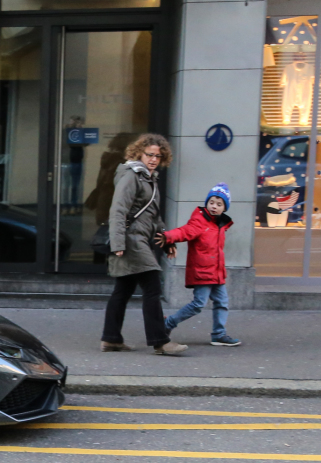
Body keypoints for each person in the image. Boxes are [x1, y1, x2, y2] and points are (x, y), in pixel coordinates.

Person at [100, 133, 186, 356]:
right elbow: (118, 209)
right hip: (131, 240)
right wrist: (118, 242)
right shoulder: (131, 175)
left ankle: (111, 339)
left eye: (158, 156)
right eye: (149, 154)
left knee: (123, 290)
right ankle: (160, 341)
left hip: (138, 239)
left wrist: (167, 240)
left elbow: (153, 217)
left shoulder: (149, 178)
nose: (154, 159)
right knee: (152, 286)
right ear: (139, 153)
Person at [161, 183, 241, 347]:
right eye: (211, 202)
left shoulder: (219, 225)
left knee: (222, 303)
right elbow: (185, 231)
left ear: (224, 208)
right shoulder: (200, 221)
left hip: (216, 272)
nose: (214, 206)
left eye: (219, 204)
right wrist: (168, 237)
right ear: (207, 202)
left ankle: (219, 334)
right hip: (202, 271)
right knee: (198, 304)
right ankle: (168, 323)